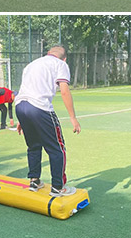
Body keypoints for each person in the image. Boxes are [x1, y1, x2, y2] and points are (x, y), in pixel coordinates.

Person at [14, 45, 81, 197]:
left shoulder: (31, 64)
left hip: (21, 106)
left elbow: (25, 90)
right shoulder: (60, 64)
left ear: (48, 53)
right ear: (64, 59)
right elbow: (64, 90)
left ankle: (34, 181)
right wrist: (73, 117)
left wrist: (22, 119)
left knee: (33, 146)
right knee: (57, 148)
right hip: (40, 108)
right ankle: (58, 187)